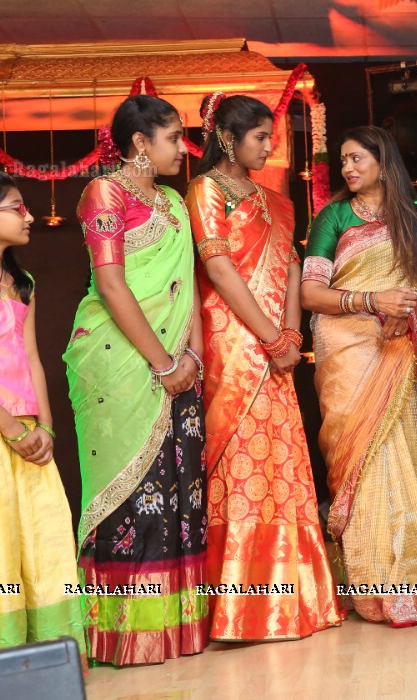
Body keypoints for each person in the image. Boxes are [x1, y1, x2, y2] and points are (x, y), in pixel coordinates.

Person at [185, 94, 343, 641]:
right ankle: (239, 609)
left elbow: (293, 268)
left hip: (278, 349)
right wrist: (273, 335)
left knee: (283, 463)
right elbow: (220, 269)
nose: (270, 144)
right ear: (228, 139)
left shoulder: (277, 201)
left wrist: (291, 337)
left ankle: (294, 602)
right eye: (259, 137)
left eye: (271, 135)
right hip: (233, 344)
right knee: (241, 467)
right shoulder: (205, 191)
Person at [63, 95, 209, 665]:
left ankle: (176, 627)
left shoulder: (172, 201)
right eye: (173, 137)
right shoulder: (104, 193)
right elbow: (112, 286)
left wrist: (192, 357)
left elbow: (188, 285)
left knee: (180, 489)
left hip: (180, 363)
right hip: (121, 363)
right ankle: (126, 636)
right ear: (141, 142)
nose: (182, 147)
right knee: (131, 493)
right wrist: (165, 364)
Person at [300, 126, 417, 627]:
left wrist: (408, 309)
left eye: (356, 159)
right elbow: (310, 293)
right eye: (342, 160)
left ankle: (413, 580)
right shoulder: (334, 215)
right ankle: (369, 584)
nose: (346, 168)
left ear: (383, 162)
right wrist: (371, 301)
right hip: (346, 348)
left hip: (397, 348)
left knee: (399, 458)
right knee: (360, 460)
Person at [0, 174, 87, 667]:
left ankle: (48, 660)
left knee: (43, 539)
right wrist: (10, 429)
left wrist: (45, 428)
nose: (29, 216)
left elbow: (33, 357)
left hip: (30, 434)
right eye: (17, 207)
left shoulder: (22, 282)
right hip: (6, 433)